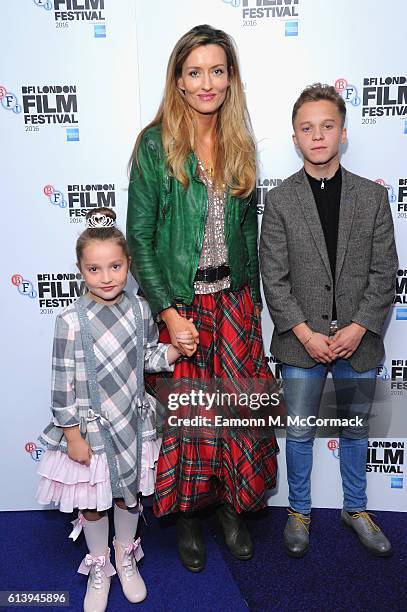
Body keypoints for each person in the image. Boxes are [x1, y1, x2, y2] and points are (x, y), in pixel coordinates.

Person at [127, 24, 280, 572]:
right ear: (179, 80)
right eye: (195, 72)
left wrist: (254, 306)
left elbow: (246, 235)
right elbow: (139, 237)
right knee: (190, 421)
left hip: (233, 301)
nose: (207, 82)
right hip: (181, 305)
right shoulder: (154, 144)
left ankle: (230, 508)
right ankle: (190, 516)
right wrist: (169, 312)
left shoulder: (239, 142)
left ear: (230, 77)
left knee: (238, 412)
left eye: (217, 70)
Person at [260, 83, 398, 558]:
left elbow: (385, 273)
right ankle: (299, 511)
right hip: (301, 344)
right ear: (295, 138)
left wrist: (358, 327)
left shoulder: (373, 197)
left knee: (356, 429)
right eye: (307, 128)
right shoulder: (278, 202)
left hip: (359, 342)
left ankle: (355, 508)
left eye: (327, 126)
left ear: (343, 133)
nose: (317, 136)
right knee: (298, 431)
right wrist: (304, 332)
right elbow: (273, 280)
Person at [36, 208, 195, 612]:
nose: (106, 277)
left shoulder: (141, 310)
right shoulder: (69, 320)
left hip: (131, 421)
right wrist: (71, 434)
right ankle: (99, 565)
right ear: (80, 270)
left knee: (128, 497)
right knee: (92, 502)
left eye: (116, 266)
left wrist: (175, 349)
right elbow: (60, 383)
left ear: (128, 265)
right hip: (88, 429)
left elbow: (147, 357)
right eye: (94, 268)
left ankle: (125, 555)